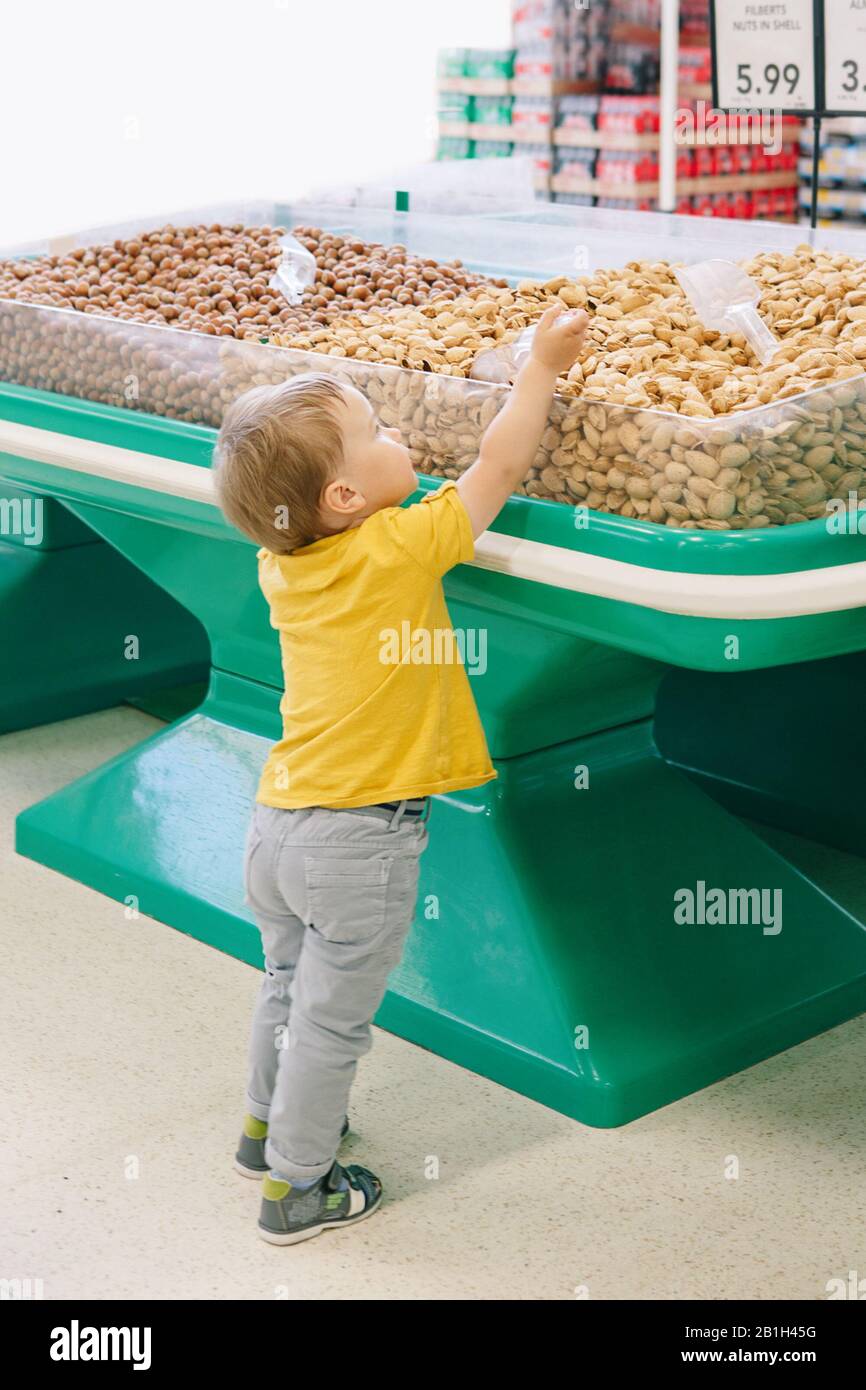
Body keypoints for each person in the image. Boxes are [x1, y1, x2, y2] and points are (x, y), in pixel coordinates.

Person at [213, 302, 589, 1244]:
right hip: (356, 842)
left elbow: (303, 507)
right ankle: (298, 1188)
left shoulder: (283, 567)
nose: (397, 433)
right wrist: (539, 368)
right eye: (376, 432)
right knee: (334, 1021)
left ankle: (265, 1131)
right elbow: (497, 467)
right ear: (343, 500)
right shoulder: (396, 546)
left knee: (285, 987)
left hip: (278, 822)